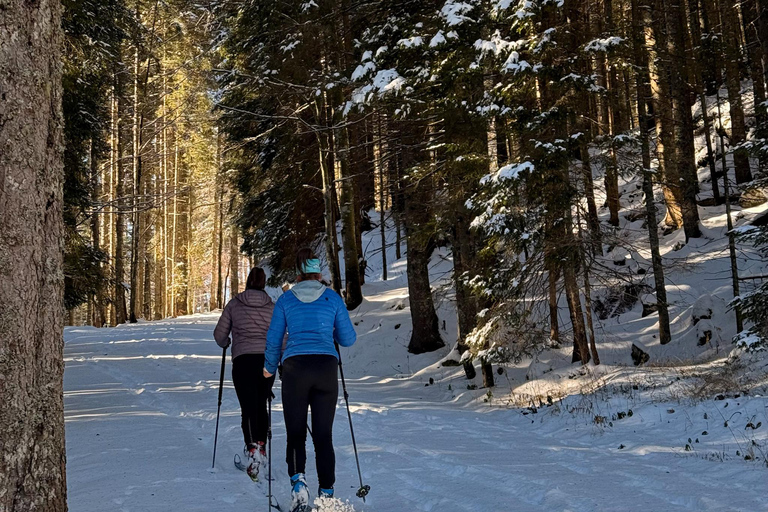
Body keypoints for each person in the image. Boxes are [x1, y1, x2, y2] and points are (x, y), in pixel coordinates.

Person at [264, 248, 357, 511]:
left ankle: (298, 485)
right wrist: (329, 331)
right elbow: (348, 339)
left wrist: (269, 369)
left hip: (295, 368)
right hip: (326, 368)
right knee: (323, 435)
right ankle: (326, 495)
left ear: (297, 273)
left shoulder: (286, 300)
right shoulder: (332, 298)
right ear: (318, 272)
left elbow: (274, 339)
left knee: (295, 433)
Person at [214, 267, 276, 481]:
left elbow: (219, 335)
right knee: (261, 403)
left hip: (243, 361)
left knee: (248, 407)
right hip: (266, 361)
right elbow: (280, 335)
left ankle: (252, 450)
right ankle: (261, 446)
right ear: (264, 283)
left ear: (248, 281)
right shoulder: (272, 307)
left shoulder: (234, 304)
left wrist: (226, 342)